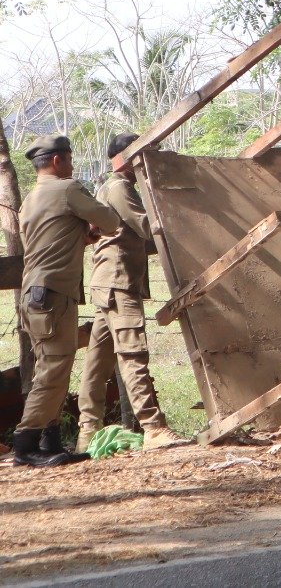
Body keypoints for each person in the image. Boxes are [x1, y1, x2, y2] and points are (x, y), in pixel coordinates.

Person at [13, 135, 123, 468]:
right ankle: (26, 443)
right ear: (57, 160)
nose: (73, 166)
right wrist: (92, 228)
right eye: (71, 159)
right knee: (54, 369)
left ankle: (49, 442)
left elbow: (48, 239)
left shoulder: (30, 200)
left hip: (33, 294)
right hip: (53, 294)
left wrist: (80, 235)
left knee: (48, 367)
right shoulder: (68, 189)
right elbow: (111, 221)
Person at [77, 133, 185, 449]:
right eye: (142, 153)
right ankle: (153, 428)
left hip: (110, 282)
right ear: (125, 158)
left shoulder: (113, 187)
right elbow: (147, 225)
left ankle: (87, 431)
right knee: (132, 352)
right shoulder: (119, 187)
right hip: (119, 282)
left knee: (98, 360)